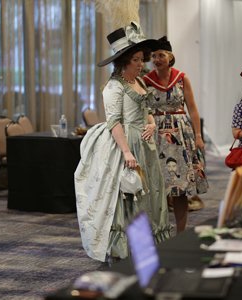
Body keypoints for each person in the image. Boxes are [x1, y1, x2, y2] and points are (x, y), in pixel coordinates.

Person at [74, 23, 171, 263]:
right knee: (128, 197)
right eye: (136, 60)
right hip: (125, 145)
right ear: (124, 61)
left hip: (145, 145)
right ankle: (123, 254)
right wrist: (126, 152)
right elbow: (114, 122)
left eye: (141, 59)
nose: (141, 64)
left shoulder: (139, 82)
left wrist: (151, 124)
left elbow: (147, 110)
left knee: (150, 194)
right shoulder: (114, 87)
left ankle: (147, 248)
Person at [143, 36, 208, 233]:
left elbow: (193, 109)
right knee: (157, 186)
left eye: (161, 55)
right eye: (153, 56)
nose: (157, 59)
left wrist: (198, 136)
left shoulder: (182, 78)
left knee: (180, 187)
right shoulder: (146, 82)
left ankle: (180, 231)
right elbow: (143, 110)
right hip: (156, 134)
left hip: (181, 134)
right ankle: (159, 230)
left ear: (170, 57)